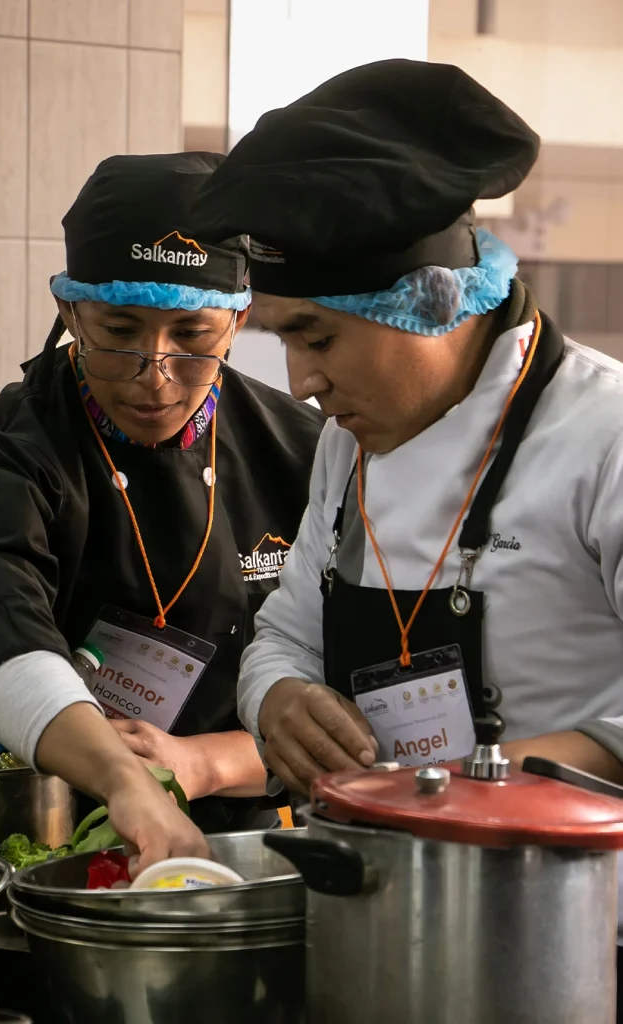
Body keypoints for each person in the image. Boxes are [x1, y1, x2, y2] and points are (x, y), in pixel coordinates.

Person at [194, 56, 623, 1005]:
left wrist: (484, 782)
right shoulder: (349, 445)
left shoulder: (604, 437)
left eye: (315, 338)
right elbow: (284, 634)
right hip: (388, 918)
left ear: (423, 303)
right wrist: (275, 703)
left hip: (577, 941)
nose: (300, 384)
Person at [0, 151, 324, 868]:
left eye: (191, 338)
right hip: (40, 820)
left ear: (237, 319)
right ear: (69, 310)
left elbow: (343, 685)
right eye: (118, 333)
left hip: (246, 831)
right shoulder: (7, 447)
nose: (154, 377)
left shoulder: (307, 452)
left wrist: (204, 763)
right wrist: (125, 778)